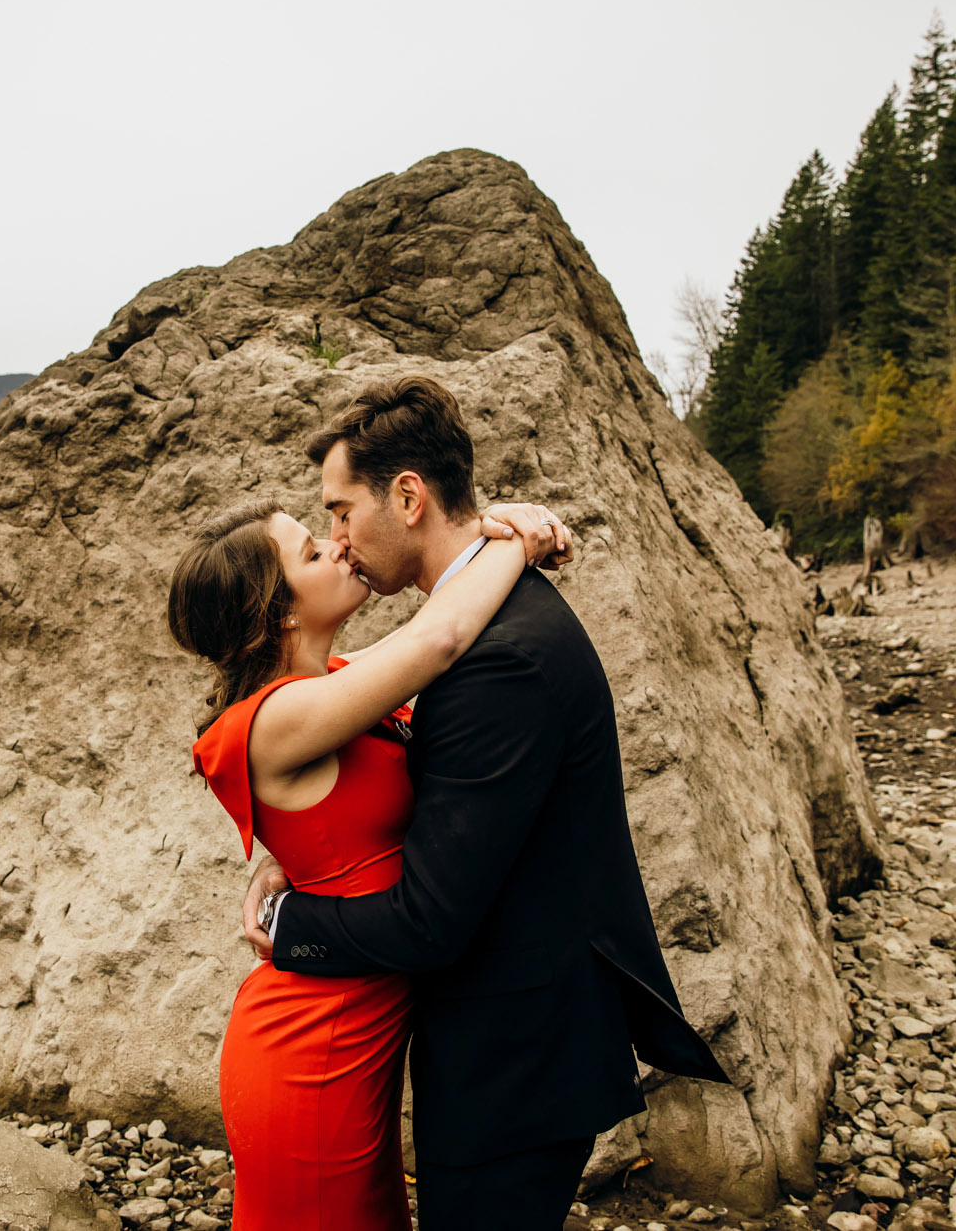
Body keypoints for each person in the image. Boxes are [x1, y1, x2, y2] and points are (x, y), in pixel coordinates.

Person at [243, 376, 730, 1230]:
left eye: (340, 510)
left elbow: (430, 921)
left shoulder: (495, 659)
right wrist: (298, 848)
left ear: (407, 496)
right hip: (522, 1042)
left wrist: (289, 925)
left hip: (513, 1061)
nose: (338, 538)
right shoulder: (500, 616)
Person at [168, 483, 568, 1230]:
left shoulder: (339, 680)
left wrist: (290, 860)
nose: (340, 545)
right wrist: (515, 537)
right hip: (312, 1044)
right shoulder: (276, 717)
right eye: (313, 552)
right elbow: (438, 639)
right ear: (280, 609)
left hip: (358, 1034)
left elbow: (352, 809)